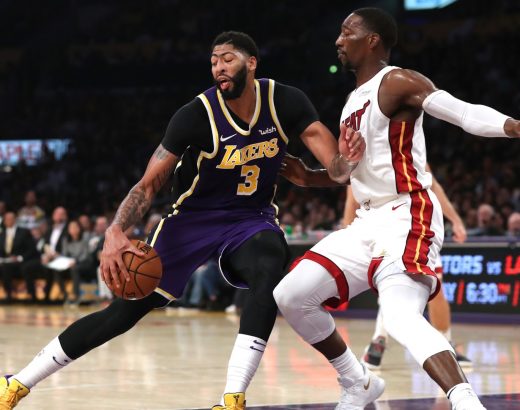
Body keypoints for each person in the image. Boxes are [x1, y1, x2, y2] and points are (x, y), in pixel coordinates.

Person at [0, 31, 363, 409]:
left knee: (269, 261)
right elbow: (148, 184)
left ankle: (233, 397)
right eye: (213, 61)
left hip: (249, 218)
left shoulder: (285, 102)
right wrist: (115, 230)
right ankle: (18, 382)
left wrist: (347, 163)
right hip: (191, 220)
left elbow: (325, 171)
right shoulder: (195, 116)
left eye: (227, 59)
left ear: (251, 62)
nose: (218, 68)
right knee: (124, 312)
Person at [274, 7, 519, 410]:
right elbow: (349, 173)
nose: (338, 40)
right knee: (291, 295)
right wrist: (308, 177)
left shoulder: (398, 81)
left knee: (401, 317)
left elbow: (463, 113)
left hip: (408, 212)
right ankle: (358, 382)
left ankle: (466, 402)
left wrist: (514, 126)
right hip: (367, 220)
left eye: (346, 31)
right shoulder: (352, 100)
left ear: (372, 40)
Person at [342, 166, 472, 369]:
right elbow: (352, 197)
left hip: (417, 223)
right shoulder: (362, 152)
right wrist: (348, 235)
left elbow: (434, 186)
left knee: (434, 284)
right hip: (383, 226)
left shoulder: (409, 144)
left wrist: (455, 220)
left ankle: (443, 342)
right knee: (392, 286)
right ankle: (378, 342)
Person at [0, 212, 38, 304]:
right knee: (5, 267)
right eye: (6, 219)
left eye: (10, 219)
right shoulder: (2, 233)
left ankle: (31, 295)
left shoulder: (24, 232)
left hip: (22, 260)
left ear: (15, 220)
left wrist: (20, 257)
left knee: (26, 268)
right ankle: (8, 295)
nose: (8, 221)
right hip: (7, 261)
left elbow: (32, 249)